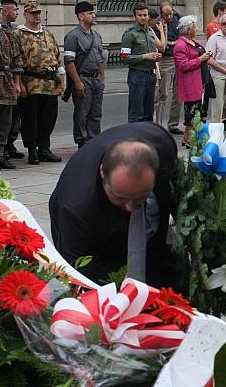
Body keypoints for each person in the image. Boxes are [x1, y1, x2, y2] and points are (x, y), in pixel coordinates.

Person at [49, 122, 178, 286]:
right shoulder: (76, 209)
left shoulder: (163, 144)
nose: (131, 207)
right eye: (121, 198)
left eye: (140, 198)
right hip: (93, 243)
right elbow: (83, 271)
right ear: (103, 173)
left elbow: (174, 186)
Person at [12, 1, 65, 165]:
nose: (36, 16)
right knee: (30, 119)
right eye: (33, 13)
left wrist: (62, 80)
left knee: (48, 118)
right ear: (25, 14)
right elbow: (16, 60)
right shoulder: (18, 34)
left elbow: (57, 56)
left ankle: (44, 148)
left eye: (38, 13)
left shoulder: (47, 33)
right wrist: (18, 83)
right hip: (31, 82)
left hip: (50, 83)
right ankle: (32, 149)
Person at [64, 1, 105, 149]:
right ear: (81, 16)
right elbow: (69, 62)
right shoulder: (73, 37)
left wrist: (102, 79)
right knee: (82, 113)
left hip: (96, 79)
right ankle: (82, 141)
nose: (94, 16)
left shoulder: (97, 36)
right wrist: (77, 82)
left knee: (96, 112)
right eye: (90, 13)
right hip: (83, 78)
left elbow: (101, 59)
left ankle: (94, 140)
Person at [0, 0, 24, 171]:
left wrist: (17, 83)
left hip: (7, 82)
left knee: (5, 122)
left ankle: (0, 152)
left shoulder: (8, 33)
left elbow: (16, 58)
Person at [122, 2, 164, 123]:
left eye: (145, 15)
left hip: (151, 75)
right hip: (137, 75)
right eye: (140, 15)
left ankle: (146, 139)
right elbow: (125, 58)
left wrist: (156, 56)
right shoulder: (130, 34)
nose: (143, 18)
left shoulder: (150, 32)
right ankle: (135, 139)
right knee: (136, 114)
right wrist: (145, 56)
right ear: (135, 16)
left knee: (148, 114)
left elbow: (159, 47)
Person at [173, 15, 210, 146]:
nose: (196, 29)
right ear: (188, 29)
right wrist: (200, 59)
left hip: (200, 80)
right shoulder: (180, 45)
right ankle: (188, 138)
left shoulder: (193, 42)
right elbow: (182, 65)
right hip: (190, 83)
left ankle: (190, 136)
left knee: (198, 110)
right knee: (191, 111)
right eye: (194, 27)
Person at [154, 1, 183, 134]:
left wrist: (175, 42)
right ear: (161, 14)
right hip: (166, 59)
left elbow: (181, 36)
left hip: (178, 58)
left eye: (171, 13)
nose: (169, 17)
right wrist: (173, 42)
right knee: (163, 93)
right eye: (166, 15)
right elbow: (163, 45)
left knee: (179, 93)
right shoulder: (158, 24)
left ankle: (173, 124)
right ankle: (157, 125)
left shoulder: (177, 18)